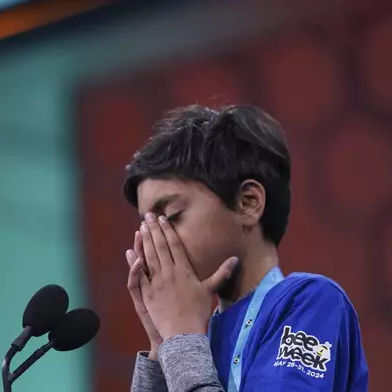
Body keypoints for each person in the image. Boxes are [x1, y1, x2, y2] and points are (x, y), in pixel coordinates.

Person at [122, 104, 368, 392]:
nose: (153, 242)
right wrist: (162, 346)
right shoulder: (195, 343)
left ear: (248, 203)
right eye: (146, 225)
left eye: (172, 216)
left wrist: (181, 337)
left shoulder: (310, 302)